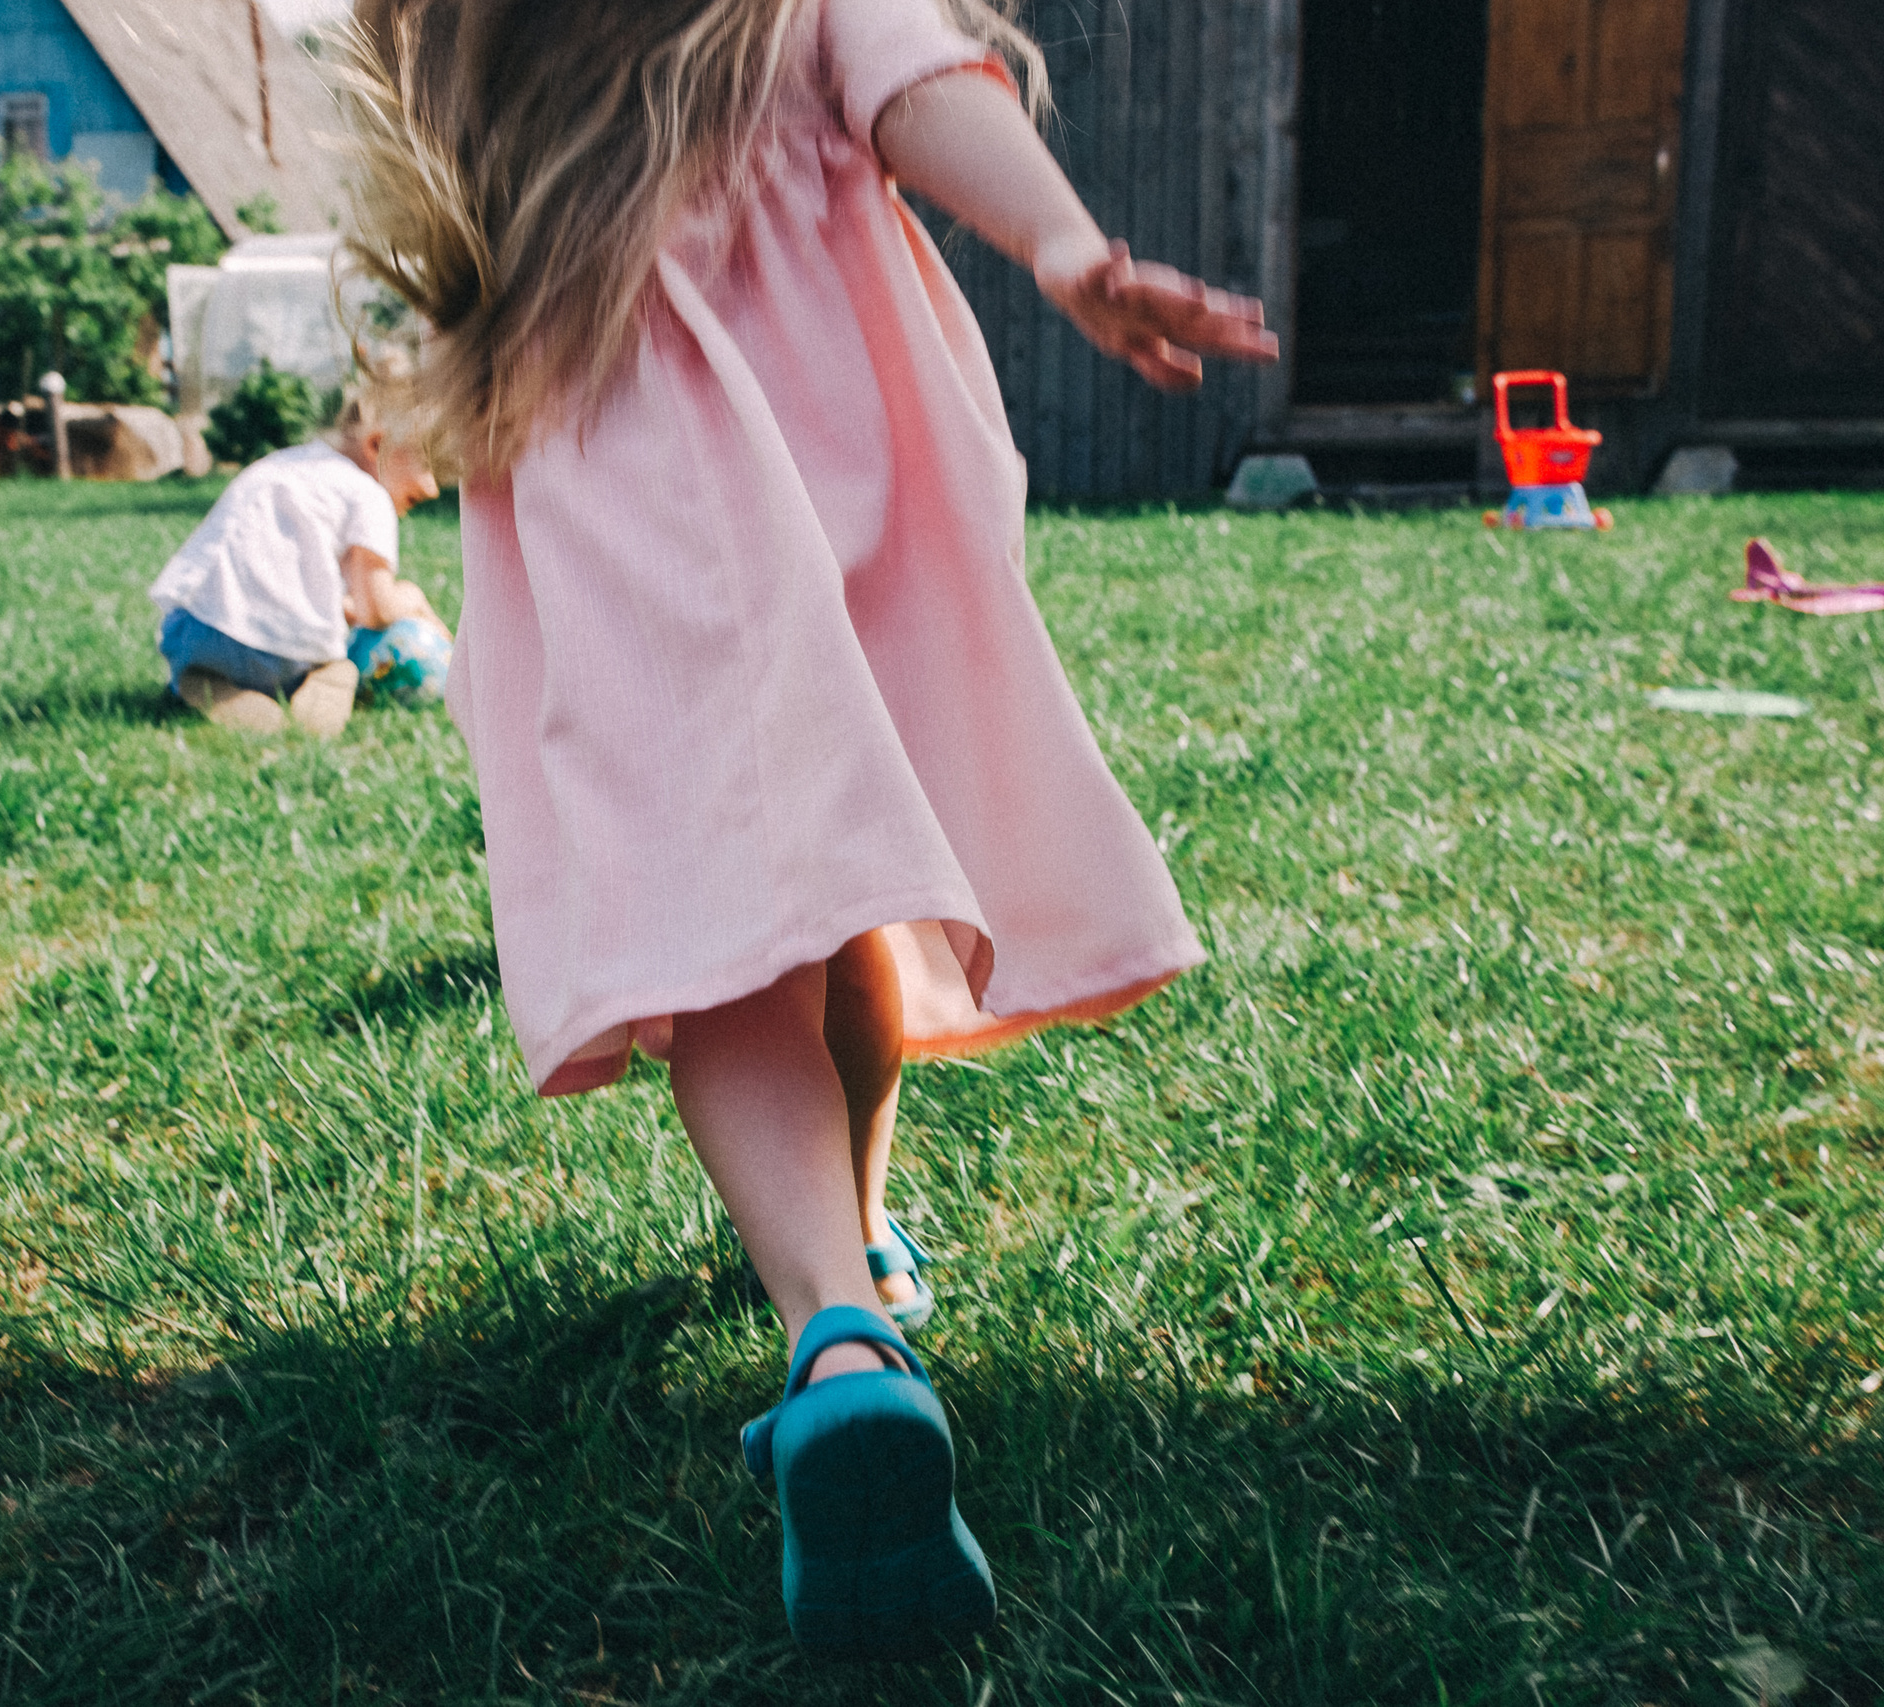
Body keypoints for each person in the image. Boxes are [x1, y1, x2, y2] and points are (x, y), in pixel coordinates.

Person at [340, 0, 1276, 1659]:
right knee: (851, 897)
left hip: (605, 476)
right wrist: (1062, 241)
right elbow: (920, 81)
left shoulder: (481, 33)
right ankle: (855, 1287)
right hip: (833, 464)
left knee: (733, 948)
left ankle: (835, 1316)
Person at [149, 389, 448, 737]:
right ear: (377, 446)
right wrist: (412, 598)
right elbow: (376, 611)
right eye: (426, 466)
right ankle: (321, 686)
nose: (432, 489)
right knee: (337, 660)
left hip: (196, 629)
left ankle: (204, 682)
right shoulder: (368, 494)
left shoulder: (284, 464)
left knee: (210, 652)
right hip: (285, 654)